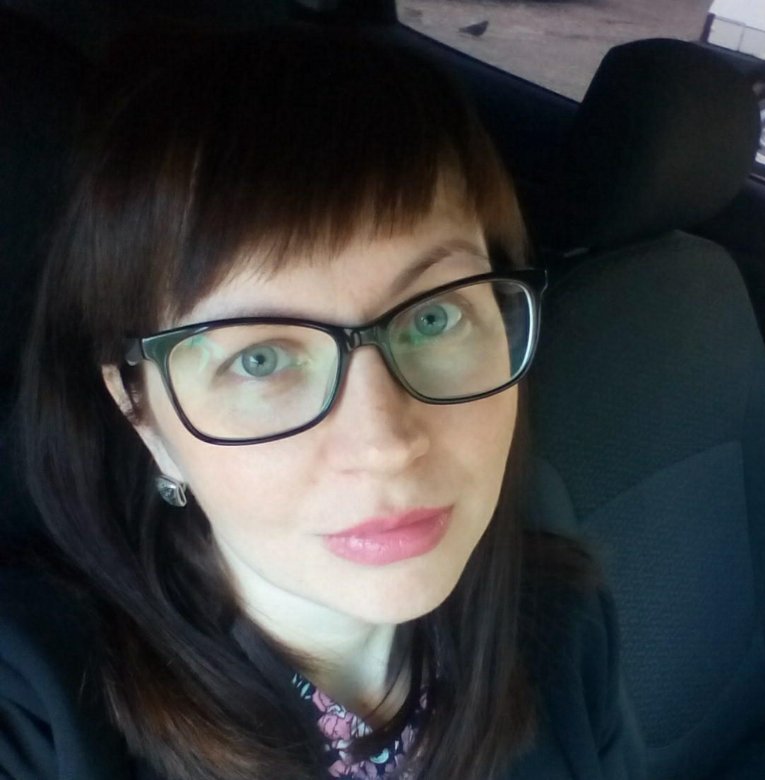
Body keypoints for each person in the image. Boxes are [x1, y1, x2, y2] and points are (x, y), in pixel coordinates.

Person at [0, 23, 646, 780]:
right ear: (144, 419)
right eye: (261, 359)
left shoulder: (561, 628)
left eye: (433, 317)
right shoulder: (33, 710)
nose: (385, 443)